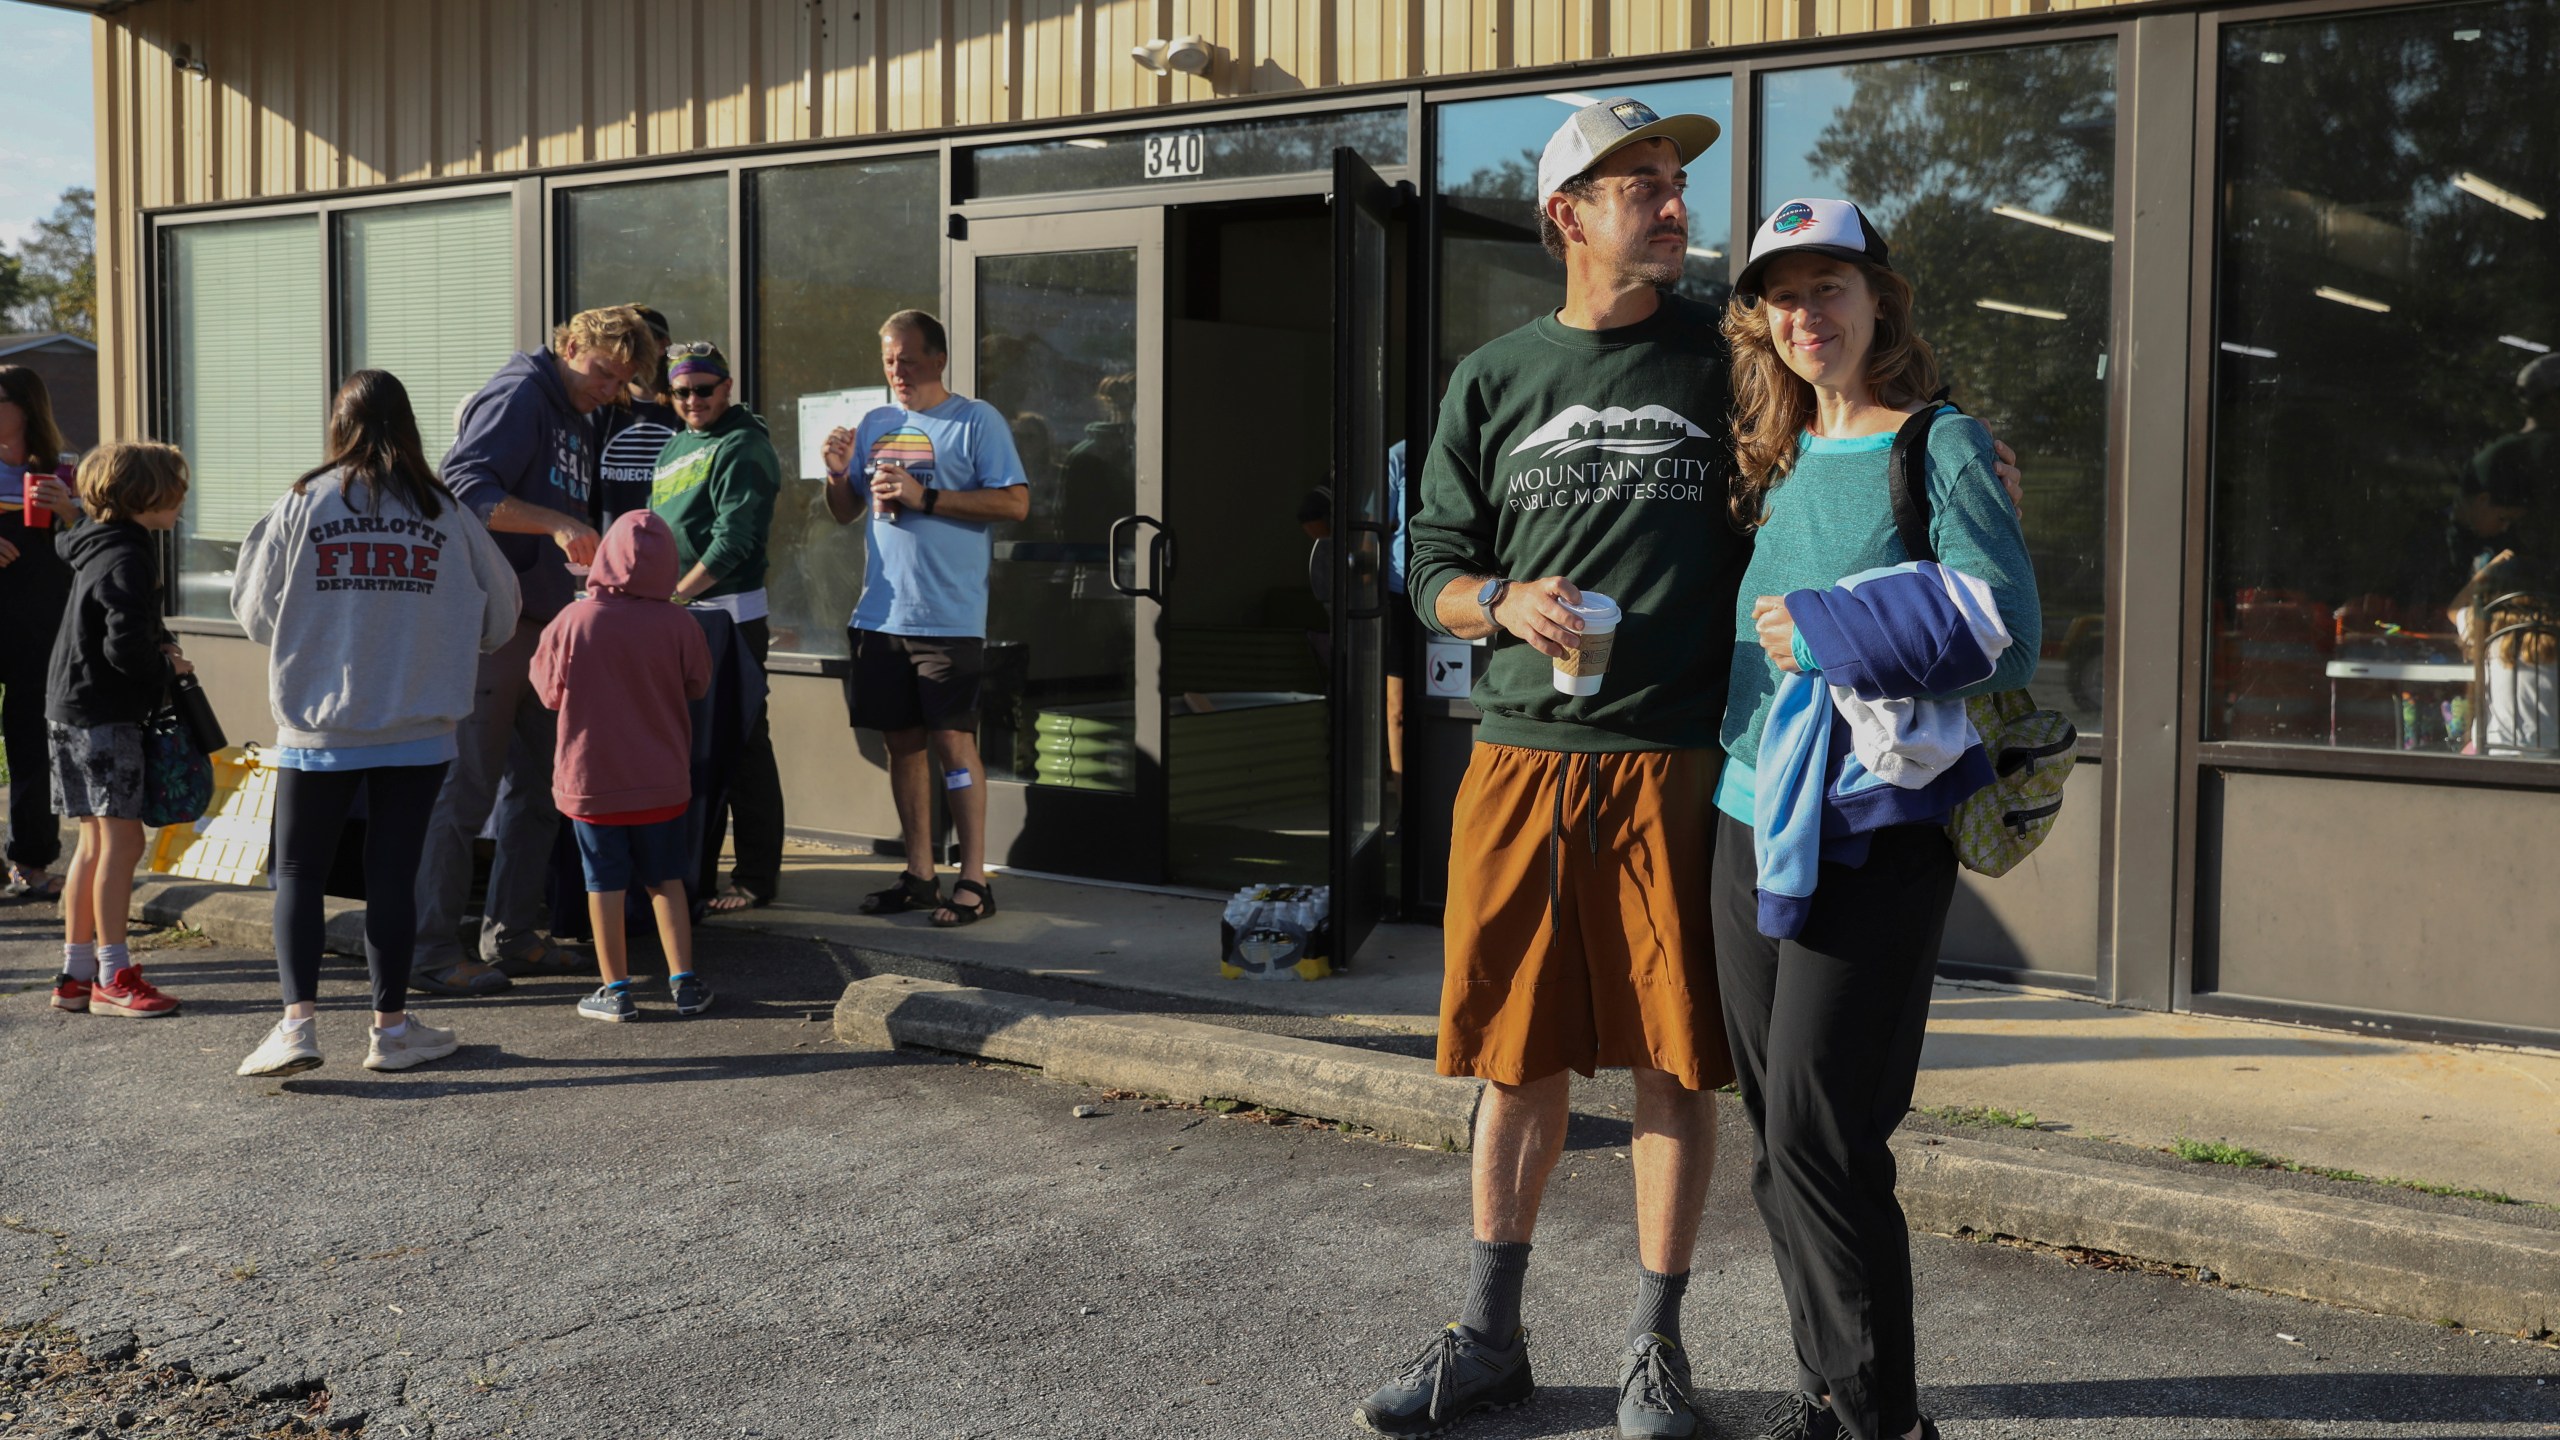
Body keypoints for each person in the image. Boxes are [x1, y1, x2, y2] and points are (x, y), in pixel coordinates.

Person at [1366, 97, 1746, 1440]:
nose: (1671, 201)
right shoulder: (1493, 378)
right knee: (1515, 1061)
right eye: (1638, 181)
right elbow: (1427, 570)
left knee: (1672, 1062)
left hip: (1677, 765)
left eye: (1673, 180)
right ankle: (1489, 1339)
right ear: (1565, 216)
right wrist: (1501, 603)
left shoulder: (1729, 364)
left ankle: (1656, 1351)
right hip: (1524, 760)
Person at [1709, 198, 2041, 1440]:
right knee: (1773, 1132)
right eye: (1783, 296)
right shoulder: (1778, 451)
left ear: (1878, 302)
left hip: (1871, 828)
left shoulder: (1940, 444)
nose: (1809, 316)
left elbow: (2009, 626)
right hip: (1745, 813)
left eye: (1831, 287)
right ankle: (1828, 1390)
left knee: (1822, 1130)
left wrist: (1835, 628)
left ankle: (1883, 1421)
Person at [229, 371, 523, 1077]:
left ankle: (297, 1024)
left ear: (339, 423)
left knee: (298, 873)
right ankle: (389, 1032)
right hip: (417, 727)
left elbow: (254, 613)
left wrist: (321, 629)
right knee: (393, 876)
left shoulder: (303, 501)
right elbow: (503, 613)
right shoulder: (446, 511)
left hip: (317, 725)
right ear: (411, 425)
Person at [412, 305, 651, 996]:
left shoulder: (577, 409)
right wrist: (556, 524)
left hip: (548, 623)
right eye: (603, 372)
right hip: (495, 625)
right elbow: (462, 488)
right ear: (570, 345)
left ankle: (512, 936)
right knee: (467, 790)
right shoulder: (521, 392)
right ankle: (431, 949)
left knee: (543, 788)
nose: (609, 390)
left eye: (621, 381)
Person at [821, 310, 1030, 928]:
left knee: (953, 743)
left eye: (909, 360)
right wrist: (836, 473)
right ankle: (919, 874)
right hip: (881, 614)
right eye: (889, 361)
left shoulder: (975, 420)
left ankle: (973, 879)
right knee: (902, 744)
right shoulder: (877, 422)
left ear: (938, 359)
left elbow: (1015, 502)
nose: (898, 372)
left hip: (948, 615)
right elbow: (843, 512)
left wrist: (926, 497)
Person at [531, 509, 714, 1021]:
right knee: (666, 880)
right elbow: (699, 685)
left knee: (602, 883)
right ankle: (686, 983)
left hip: (593, 782)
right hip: (662, 781)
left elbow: (548, 692)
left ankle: (616, 990)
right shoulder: (680, 622)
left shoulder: (573, 620)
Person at [44, 442, 191, 1020]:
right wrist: (168, 668)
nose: (182, 496)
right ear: (144, 495)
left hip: (69, 706)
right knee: (123, 843)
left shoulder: (91, 542)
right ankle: (114, 974)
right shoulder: (130, 553)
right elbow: (124, 646)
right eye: (173, 485)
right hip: (105, 714)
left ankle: (76, 973)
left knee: (93, 842)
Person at [648, 341, 784, 913]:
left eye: (704, 389)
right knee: (692, 752)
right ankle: (695, 875)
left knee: (744, 747)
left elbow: (735, 541)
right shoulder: (676, 442)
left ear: (727, 387)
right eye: (681, 392)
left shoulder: (743, 445)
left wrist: (675, 595)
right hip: (677, 615)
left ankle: (755, 877)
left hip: (727, 618)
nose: (693, 401)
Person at [0, 363, 81, 904]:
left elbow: (92, 548)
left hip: (39, 627)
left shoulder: (63, 471)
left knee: (33, 746)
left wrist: (71, 512)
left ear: (24, 407)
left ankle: (30, 863)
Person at [595, 305, 679, 530]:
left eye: (638, 340)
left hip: (670, 554)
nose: (627, 350)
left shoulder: (687, 408)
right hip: (610, 554)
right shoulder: (599, 407)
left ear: (663, 345)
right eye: (621, 341)